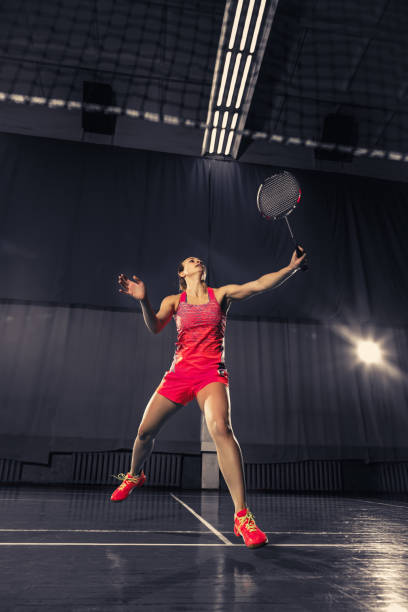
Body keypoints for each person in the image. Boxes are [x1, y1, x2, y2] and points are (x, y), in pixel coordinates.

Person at [111, 247, 307, 549]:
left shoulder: (222, 295)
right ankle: (134, 475)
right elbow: (154, 326)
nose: (197, 260)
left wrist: (290, 268)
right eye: (190, 260)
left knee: (221, 429)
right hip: (179, 375)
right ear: (182, 273)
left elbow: (259, 284)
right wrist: (143, 301)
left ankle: (242, 516)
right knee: (144, 432)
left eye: (198, 259)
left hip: (210, 374)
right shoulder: (174, 301)